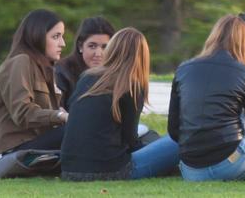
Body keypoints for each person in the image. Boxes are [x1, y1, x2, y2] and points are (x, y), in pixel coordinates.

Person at [60, 28, 182, 181]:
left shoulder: (86, 78)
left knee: (150, 138)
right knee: (182, 137)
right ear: (141, 57)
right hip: (111, 171)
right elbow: (129, 141)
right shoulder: (131, 86)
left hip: (69, 170)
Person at [170, 15, 245, 181]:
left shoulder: (183, 69)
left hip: (191, 170)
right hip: (230, 163)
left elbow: (174, 130)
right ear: (244, 42)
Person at [0, 9, 69, 174]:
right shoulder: (20, 62)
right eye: (56, 37)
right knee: (75, 129)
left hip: (27, 144)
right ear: (37, 36)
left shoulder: (45, 67)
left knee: (81, 128)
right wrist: (59, 116)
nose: (62, 43)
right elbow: (23, 112)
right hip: (7, 153)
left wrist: (60, 116)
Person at [55, 16, 116, 109]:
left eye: (105, 47)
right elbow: (56, 110)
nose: (98, 54)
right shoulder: (62, 72)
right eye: (92, 46)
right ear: (80, 46)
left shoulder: (115, 74)